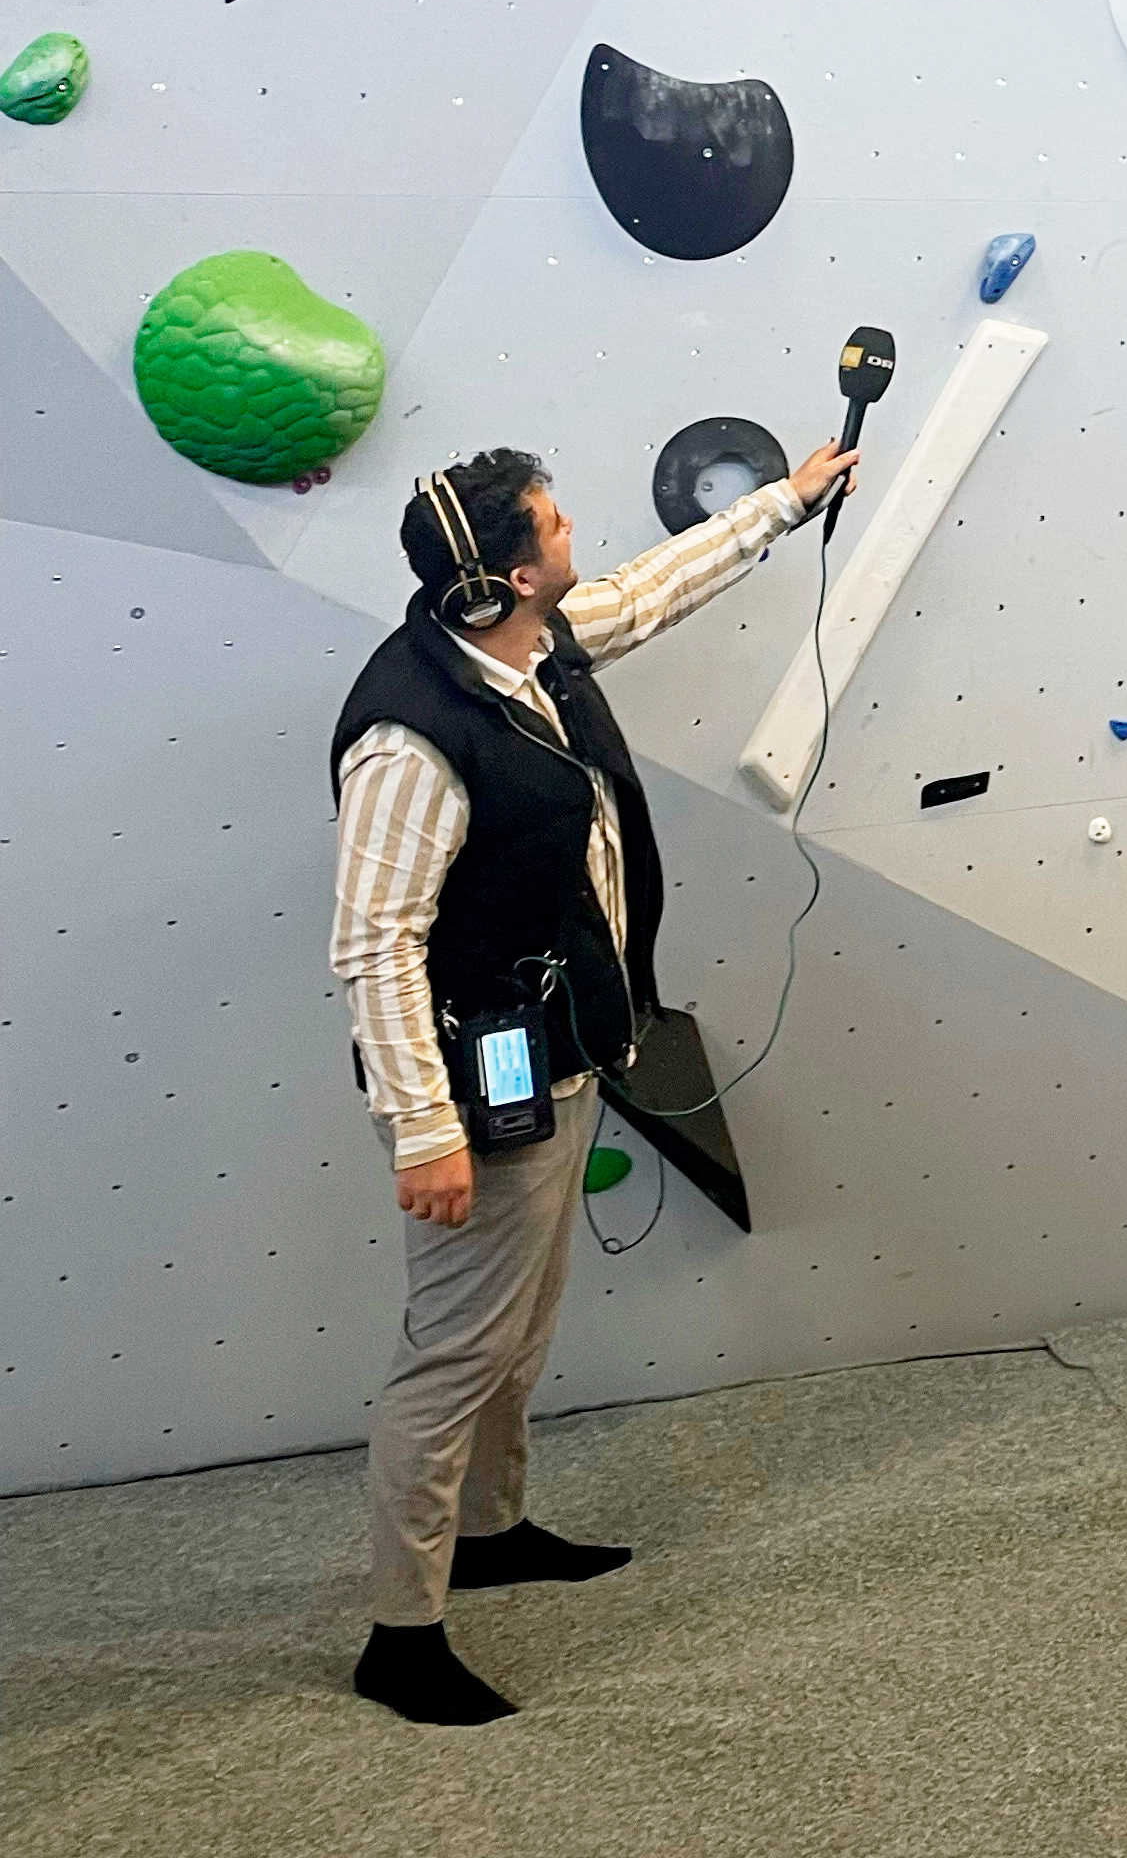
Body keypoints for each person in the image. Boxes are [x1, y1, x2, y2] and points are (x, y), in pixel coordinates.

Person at [330, 432, 856, 1726]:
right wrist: (422, 1131)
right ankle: (400, 1637)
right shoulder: (415, 739)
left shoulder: (528, 647)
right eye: (555, 528)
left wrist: (783, 504)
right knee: (455, 1354)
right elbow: (373, 944)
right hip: (476, 1085)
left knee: (521, 1328)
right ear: (501, 579)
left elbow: (637, 595)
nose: (575, 540)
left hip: (562, 1053)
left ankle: (493, 1532)